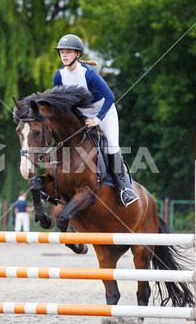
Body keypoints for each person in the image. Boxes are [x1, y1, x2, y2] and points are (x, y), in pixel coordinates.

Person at [53, 34, 138, 207]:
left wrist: (97, 120)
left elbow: (110, 97)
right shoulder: (59, 75)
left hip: (104, 112)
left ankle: (125, 188)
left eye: (68, 52)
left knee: (112, 145)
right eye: (62, 52)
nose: (64, 55)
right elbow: (60, 104)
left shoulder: (89, 74)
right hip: (81, 113)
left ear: (78, 54)